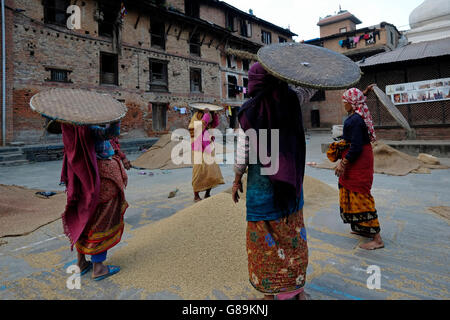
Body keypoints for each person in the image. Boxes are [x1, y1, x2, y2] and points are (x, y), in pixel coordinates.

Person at [232, 62, 316, 300]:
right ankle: (297, 291)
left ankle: (270, 295)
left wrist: (237, 180)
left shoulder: (248, 111)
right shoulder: (291, 99)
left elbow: (243, 152)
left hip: (261, 189)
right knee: (293, 238)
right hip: (290, 186)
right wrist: (301, 68)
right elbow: (309, 87)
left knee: (265, 246)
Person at [60, 121, 128, 280]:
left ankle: (81, 261)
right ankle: (98, 267)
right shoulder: (88, 128)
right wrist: (115, 119)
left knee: (84, 219)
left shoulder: (70, 126)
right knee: (102, 220)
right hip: (99, 178)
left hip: (81, 177)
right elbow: (111, 133)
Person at [331, 85, 384, 250]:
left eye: (345, 101)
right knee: (351, 191)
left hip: (358, 160)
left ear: (352, 104)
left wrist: (342, 163)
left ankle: (377, 239)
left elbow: (355, 147)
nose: (343, 103)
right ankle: (362, 228)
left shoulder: (354, 121)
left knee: (361, 194)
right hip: (361, 158)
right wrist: (365, 92)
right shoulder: (359, 115)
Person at [188, 108, 225, 202]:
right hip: (198, 148)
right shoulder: (196, 116)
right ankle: (196, 195)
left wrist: (215, 115)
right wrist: (206, 116)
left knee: (211, 171)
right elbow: (195, 128)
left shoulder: (209, 116)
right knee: (198, 172)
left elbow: (214, 125)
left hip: (208, 146)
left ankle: (207, 193)